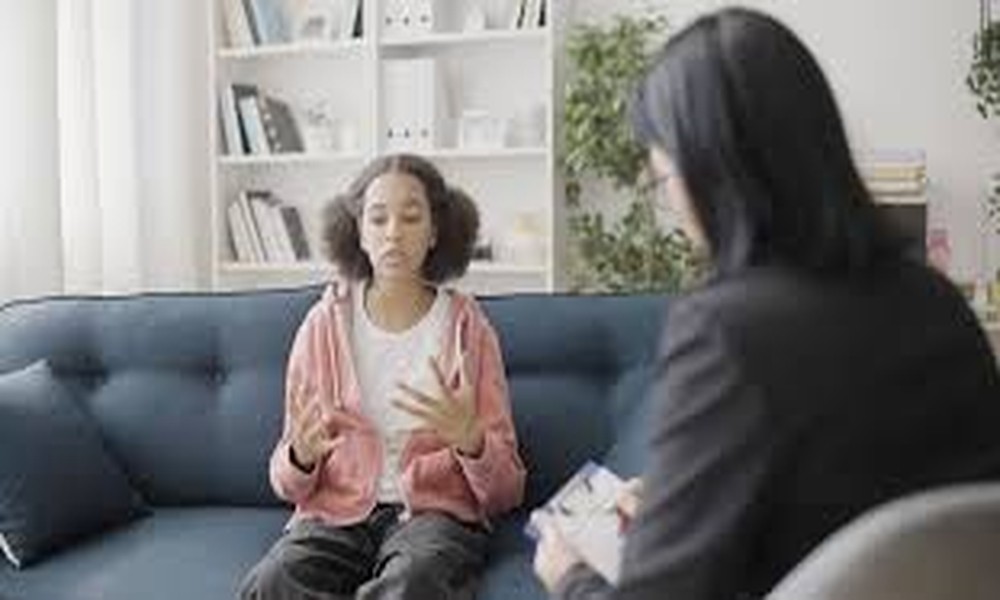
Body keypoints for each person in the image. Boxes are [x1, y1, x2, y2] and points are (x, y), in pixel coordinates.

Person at [533, 7, 1000, 600]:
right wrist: (689, 499)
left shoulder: (726, 333)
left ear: (709, 173)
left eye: (665, 181)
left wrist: (569, 575)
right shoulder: (938, 302)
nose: (675, 210)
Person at [240, 153, 526, 600]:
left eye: (411, 218)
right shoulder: (322, 326)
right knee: (272, 582)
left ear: (435, 231)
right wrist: (300, 456)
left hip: (433, 518)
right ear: (358, 230)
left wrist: (471, 441)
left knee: (415, 580)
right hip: (337, 516)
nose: (393, 232)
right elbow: (286, 483)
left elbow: (506, 491)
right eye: (378, 218)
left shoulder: (468, 330)